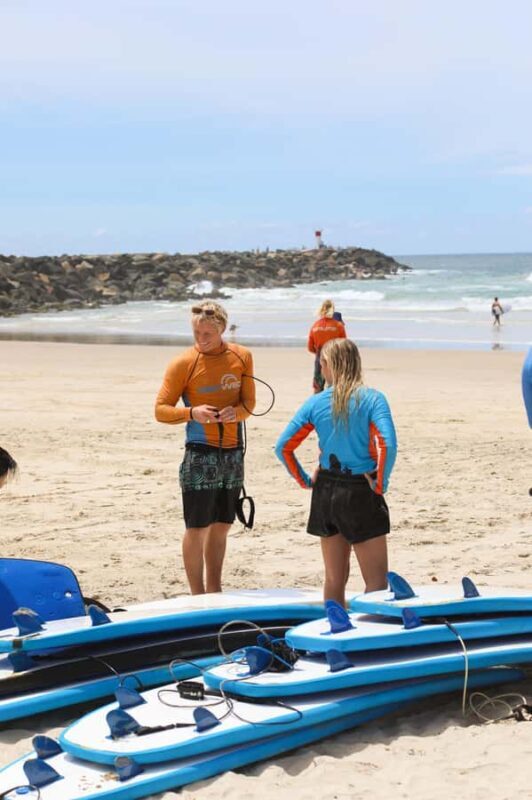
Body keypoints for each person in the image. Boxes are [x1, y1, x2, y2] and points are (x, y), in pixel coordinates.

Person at [275, 338, 397, 606]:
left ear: (329, 365)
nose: (321, 370)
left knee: (334, 578)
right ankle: (370, 629)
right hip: (360, 490)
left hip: (326, 491)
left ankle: (335, 625)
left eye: (322, 365)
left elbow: (283, 447)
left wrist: (305, 480)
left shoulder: (315, 403)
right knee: (376, 582)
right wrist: (380, 482)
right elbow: (388, 444)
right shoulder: (373, 399)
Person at [155, 301, 256, 595]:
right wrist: (192, 412)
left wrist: (236, 413)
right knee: (197, 526)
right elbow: (160, 410)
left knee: (222, 524)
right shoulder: (183, 363)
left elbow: (249, 405)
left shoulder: (242, 356)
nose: (201, 338)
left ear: (222, 328)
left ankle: (214, 590)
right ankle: (197, 595)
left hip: (233, 452)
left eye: (207, 333)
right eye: (197, 333)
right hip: (200, 452)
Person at [307, 300, 346, 393]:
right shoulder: (338, 326)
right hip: (334, 355)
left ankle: (318, 401)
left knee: (318, 387)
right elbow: (344, 344)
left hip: (320, 356)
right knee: (336, 386)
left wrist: (320, 353)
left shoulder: (315, 326)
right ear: (332, 310)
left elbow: (310, 347)